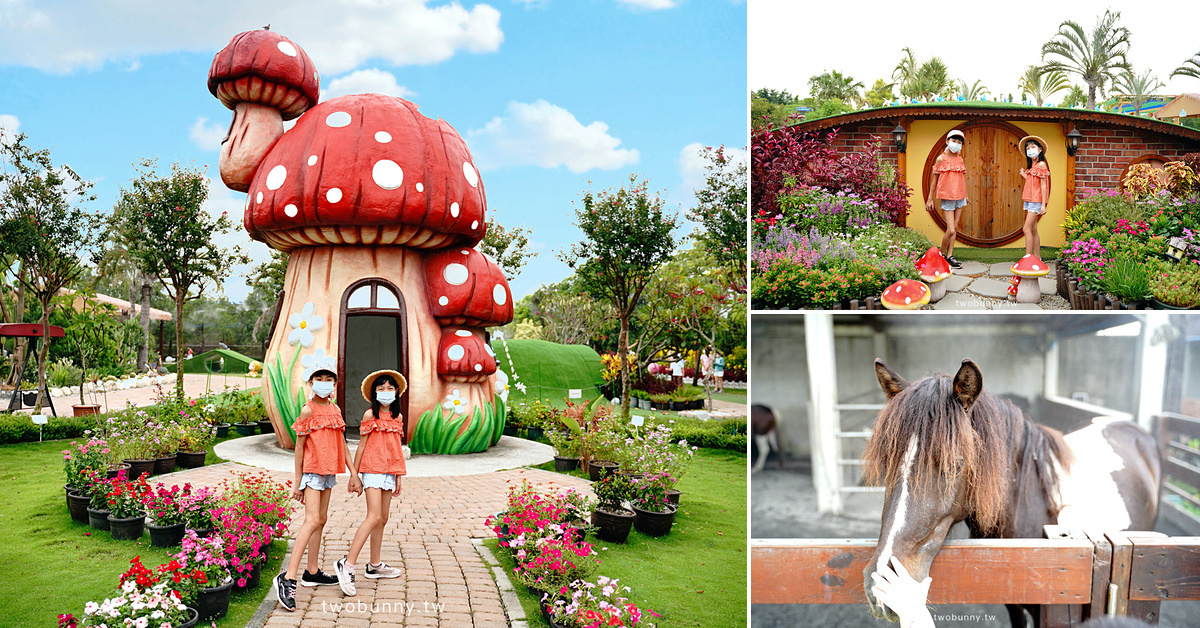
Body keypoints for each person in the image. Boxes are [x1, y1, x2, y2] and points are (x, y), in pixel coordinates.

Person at [275, 359, 361, 612]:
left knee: (321, 519)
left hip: (328, 471)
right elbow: (300, 448)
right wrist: (297, 482)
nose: (324, 384)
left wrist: (354, 473)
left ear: (335, 383)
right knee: (311, 520)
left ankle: (312, 572)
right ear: (311, 382)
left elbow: (342, 443)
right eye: (319, 379)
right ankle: (288, 577)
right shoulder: (308, 410)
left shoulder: (335, 409)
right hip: (312, 471)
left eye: (329, 379)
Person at [335, 370, 408, 595]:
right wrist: (354, 474)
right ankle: (347, 564)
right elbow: (362, 446)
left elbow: (396, 449)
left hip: (389, 470)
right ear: (373, 393)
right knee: (373, 516)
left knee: (383, 518)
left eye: (390, 388)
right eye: (381, 388)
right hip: (372, 470)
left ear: (397, 392)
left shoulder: (398, 418)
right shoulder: (370, 416)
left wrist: (397, 476)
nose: (386, 392)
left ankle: (374, 565)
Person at [926, 129, 969, 269]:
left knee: (955, 228)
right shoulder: (941, 159)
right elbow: (934, 180)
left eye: (959, 142)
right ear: (947, 142)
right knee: (950, 230)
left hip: (960, 196)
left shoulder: (960, 159)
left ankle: (950, 256)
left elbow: (961, 178)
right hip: (947, 196)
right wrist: (929, 199)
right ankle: (941, 255)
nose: (956, 144)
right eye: (953, 141)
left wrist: (966, 195)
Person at [1018, 136, 1050, 257]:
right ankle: (1037, 257)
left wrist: (1043, 205)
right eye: (1028, 148)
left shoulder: (1041, 164)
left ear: (1040, 149)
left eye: (1033, 147)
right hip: (1030, 198)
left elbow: (1043, 185)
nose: (1030, 149)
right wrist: (1023, 174)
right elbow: (1033, 181)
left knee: (1026, 229)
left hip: (1036, 200)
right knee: (1033, 230)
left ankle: (1028, 257)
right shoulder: (1033, 164)